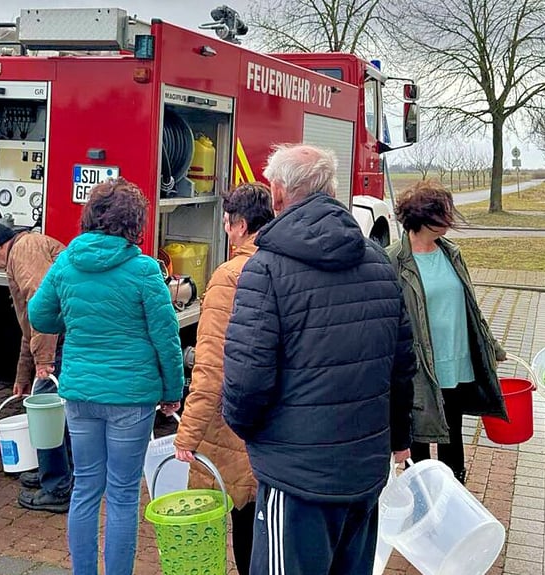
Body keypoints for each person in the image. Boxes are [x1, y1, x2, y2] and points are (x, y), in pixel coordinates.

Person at [221, 144, 416, 575]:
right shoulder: (380, 264)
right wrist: (397, 437)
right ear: (330, 190)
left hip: (297, 479)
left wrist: (255, 433)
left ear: (277, 195)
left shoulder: (265, 269)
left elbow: (246, 379)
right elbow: (402, 367)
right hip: (364, 473)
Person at [27, 177, 183, 575]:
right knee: (123, 494)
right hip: (132, 397)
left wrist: (75, 316)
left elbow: (40, 315)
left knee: (85, 489)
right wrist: (172, 390)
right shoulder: (145, 270)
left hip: (81, 393)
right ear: (136, 224)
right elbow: (165, 337)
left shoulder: (66, 262)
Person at [173, 182, 275, 574]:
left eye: (228, 223)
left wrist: (188, 434)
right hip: (280, 426)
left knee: (242, 512)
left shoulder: (229, 276)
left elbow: (211, 368)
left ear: (241, 224)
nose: (226, 231)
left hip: (235, 424)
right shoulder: (286, 266)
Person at [387, 180, 508, 485]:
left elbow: (470, 307)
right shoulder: (393, 260)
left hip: (457, 360)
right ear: (422, 216)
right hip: (419, 366)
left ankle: (454, 488)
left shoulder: (451, 253)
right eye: (443, 213)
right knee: (420, 433)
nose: (450, 219)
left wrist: (491, 346)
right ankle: (423, 494)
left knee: (452, 428)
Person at [0, 220, 73, 513]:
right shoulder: (25, 248)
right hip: (61, 336)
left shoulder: (24, 250)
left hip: (60, 337)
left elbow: (43, 307)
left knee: (47, 412)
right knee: (59, 412)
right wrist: (22, 374)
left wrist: (43, 362)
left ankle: (57, 487)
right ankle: (55, 473)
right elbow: (29, 322)